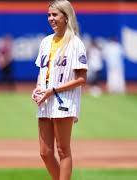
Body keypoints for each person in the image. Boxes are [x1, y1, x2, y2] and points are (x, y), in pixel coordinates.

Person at [31, 1, 88, 180]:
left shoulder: (75, 43)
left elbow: (81, 79)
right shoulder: (46, 42)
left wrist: (53, 89)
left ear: (66, 16)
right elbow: (42, 72)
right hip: (46, 99)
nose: (51, 19)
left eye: (55, 15)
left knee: (63, 149)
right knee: (45, 152)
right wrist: (38, 88)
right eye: (49, 15)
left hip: (64, 101)